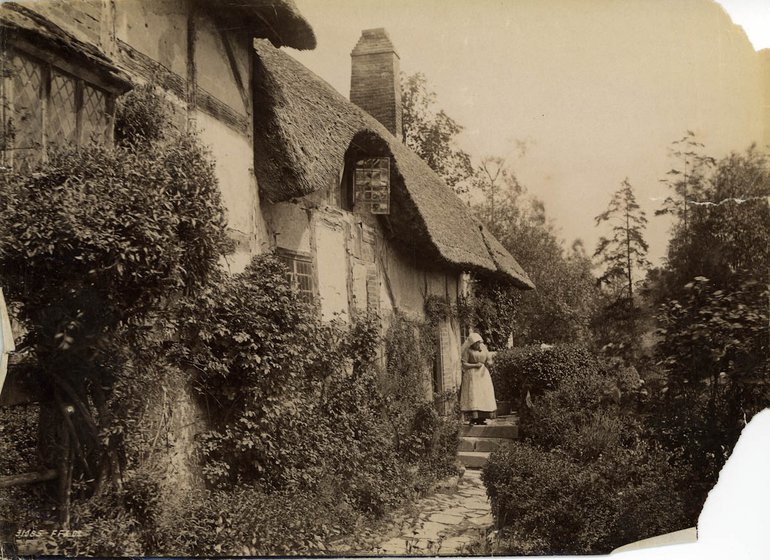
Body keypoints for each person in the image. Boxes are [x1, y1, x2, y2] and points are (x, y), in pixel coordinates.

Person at [459, 332, 497, 425]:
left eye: (478, 343)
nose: (477, 345)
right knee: (474, 395)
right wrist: (475, 365)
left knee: (483, 394)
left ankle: (482, 417)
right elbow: (464, 364)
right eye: (475, 343)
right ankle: (473, 418)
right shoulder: (468, 351)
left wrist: (490, 362)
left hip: (483, 375)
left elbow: (488, 359)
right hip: (472, 375)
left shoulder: (483, 349)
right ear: (471, 344)